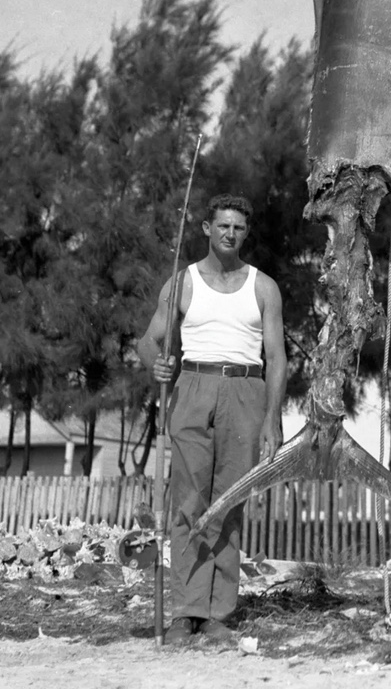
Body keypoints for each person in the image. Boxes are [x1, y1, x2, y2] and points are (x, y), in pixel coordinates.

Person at [137, 193, 287, 646]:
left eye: (238, 228)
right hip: (193, 387)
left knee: (228, 503)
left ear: (247, 233)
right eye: (222, 225)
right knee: (188, 502)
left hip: (246, 391)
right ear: (206, 228)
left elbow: (277, 357)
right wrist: (155, 365)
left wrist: (272, 418)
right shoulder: (182, 283)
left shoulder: (264, 286)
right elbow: (149, 341)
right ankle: (186, 612)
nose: (230, 234)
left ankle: (218, 613)